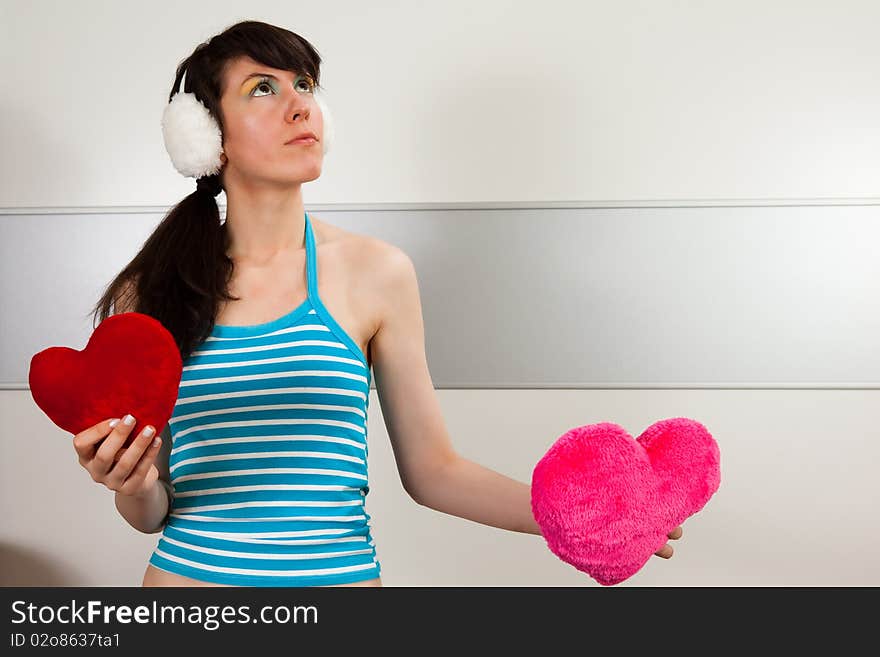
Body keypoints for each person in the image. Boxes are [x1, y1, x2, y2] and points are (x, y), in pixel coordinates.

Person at [74, 20, 682, 587]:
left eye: (305, 85)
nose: (299, 104)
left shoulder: (377, 273)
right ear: (206, 136)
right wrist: (130, 482)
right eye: (263, 88)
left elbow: (434, 472)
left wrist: (581, 514)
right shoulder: (152, 289)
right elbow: (152, 512)